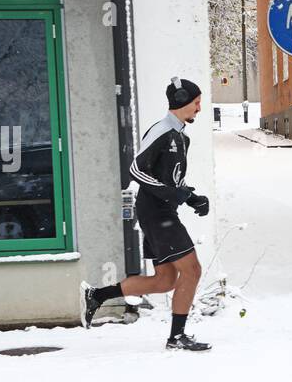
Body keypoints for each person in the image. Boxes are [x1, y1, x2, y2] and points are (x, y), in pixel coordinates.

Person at [80, 77, 212, 351]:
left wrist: (190, 197)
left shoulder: (180, 136)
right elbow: (137, 170)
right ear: (182, 101)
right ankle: (176, 337)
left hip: (160, 210)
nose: (199, 108)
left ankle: (97, 295)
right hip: (156, 212)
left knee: (165, 280)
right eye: (196, 102)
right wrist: (169, 194)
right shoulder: (162, 131)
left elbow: (168, 180)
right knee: (192, 270)